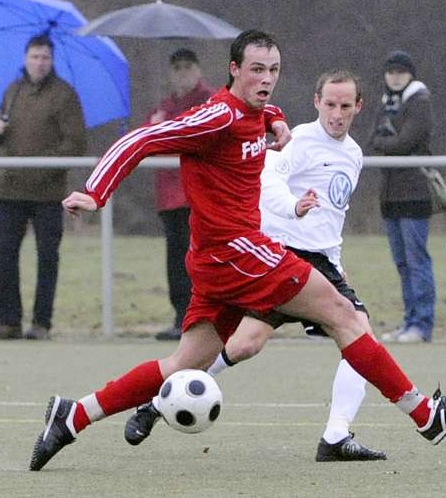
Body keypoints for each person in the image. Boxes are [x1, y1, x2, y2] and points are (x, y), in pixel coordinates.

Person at [29, 30, 446, 472]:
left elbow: (258, 114)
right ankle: (426, 416)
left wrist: (276, 117)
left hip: (220, 260)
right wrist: (95, 192)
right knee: (343, 313)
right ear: (233, 70)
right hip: (238, 253)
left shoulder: (252, 111)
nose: (266, 79)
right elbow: (141, 139)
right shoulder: (217, 117)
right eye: (257, 70)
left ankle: (74, 415)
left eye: (274, 70)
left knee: (184, 363)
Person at [128, 68, 386, 462]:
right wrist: (288, 211)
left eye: (345, 106)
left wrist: (336, 263)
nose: (337, 113)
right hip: (282, 259)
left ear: (358, 107)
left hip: (319, 263)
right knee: (259, 343)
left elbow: (331, 217)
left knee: (280, 341)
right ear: (317, 102)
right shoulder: (299, 141)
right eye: (330, 104)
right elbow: (268, 176)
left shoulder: (353, 154)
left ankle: (336, 435)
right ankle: (158, 403)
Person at [0, 34, 87, 341]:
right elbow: (3, 139)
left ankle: (41, 322)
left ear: (52, 60)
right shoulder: (12, 92)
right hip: (10, 189)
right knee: (5, 254)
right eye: (34, 56)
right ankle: (8, 320)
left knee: (47, 257)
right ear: (25, 58)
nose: (39, 62)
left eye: (45, 57)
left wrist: (42, 167)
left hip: (48, 193)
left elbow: (76, 144)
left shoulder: (65, 95)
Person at [365, 50, 436, 344]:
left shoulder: (419, 102)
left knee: (417, 260)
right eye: (390, 72)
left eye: (400, 72)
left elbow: (405, 142)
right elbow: (373, 140)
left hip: (414, 193)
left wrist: (388, 140)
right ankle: (409, 321)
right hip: (390, 195)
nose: (395, 77)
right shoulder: (386, 103)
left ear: (410, 74)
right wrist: (388, 140)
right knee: (402, 262)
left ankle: (422, 323)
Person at [147, 49, 216, 341]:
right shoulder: (163, 108)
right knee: (176, 259)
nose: (183, 73)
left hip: (202, 196)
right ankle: (181, 316)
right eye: (177, 68)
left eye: (188, 67)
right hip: (171, 197)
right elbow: (149, 141)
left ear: (198, 71)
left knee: (204, 260)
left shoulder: (211, 102)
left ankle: (208, 318)